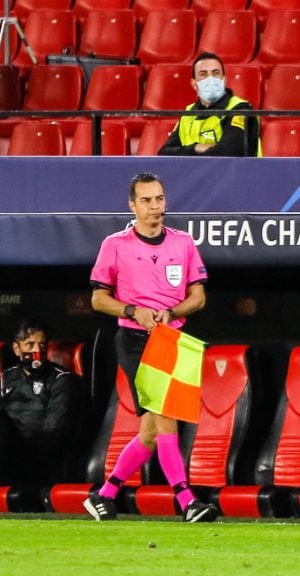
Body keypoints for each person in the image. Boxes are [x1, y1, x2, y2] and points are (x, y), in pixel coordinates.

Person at [86, 171, 218, 523]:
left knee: (150, 430)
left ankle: (105, 494)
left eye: (159, 198)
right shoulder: (114, 244)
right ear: (132, 205)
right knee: (165, 415)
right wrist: (133, 310)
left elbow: (198, 296)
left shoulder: (183, 242)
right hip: (134, 339)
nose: (155, 206)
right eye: (146, 200)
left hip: (173, 339)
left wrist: (171, 311)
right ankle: (187, 501)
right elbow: (99, 299)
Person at [0, 319, 80, 511]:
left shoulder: (61, 380)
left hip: (33, 464)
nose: (37, 350)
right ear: (17, 349)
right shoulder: (7, 377)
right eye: (30, 345)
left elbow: (53, 438)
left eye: (42, 345)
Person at [157, 51, 261, 157]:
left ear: (224, 80)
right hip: (195, 173)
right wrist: (196, 148)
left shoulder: (240, 109)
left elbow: (228, 152)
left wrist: (187, 152)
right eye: (203, 74)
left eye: (216, 73)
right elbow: (164, 153)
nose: (210, 79)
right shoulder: (188, 114)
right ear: (194, 84)